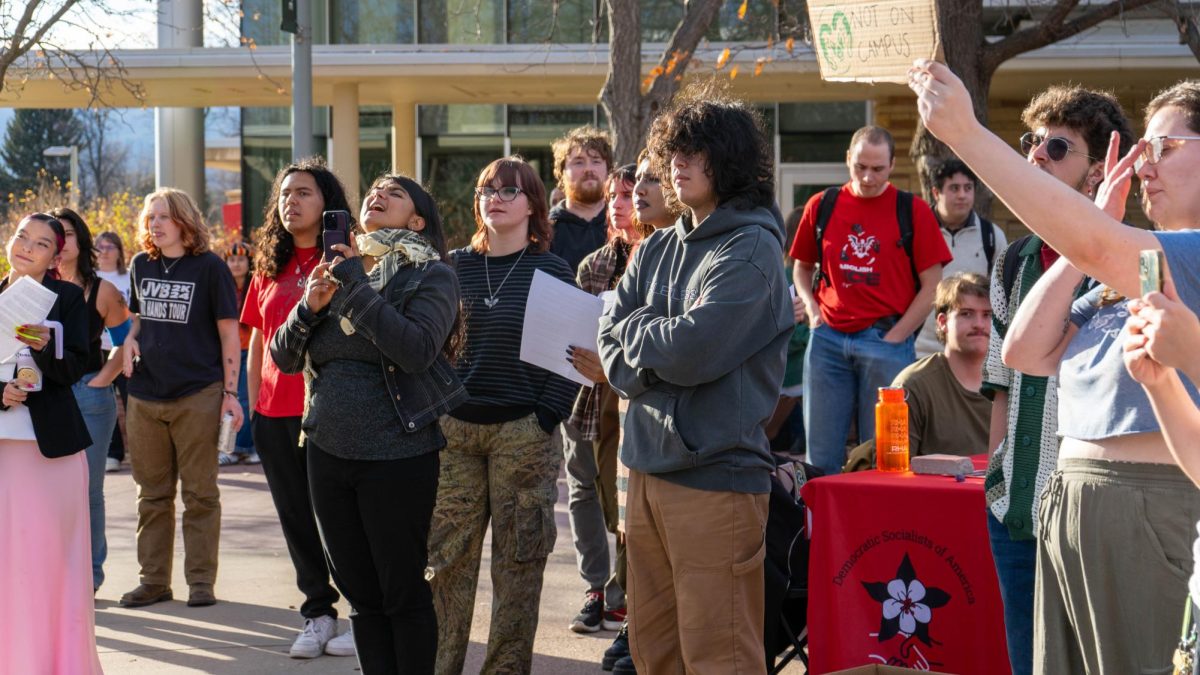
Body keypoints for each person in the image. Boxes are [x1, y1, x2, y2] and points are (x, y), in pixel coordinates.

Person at [909, 62, 1200, 674]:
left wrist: (966, 134)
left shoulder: (1186, 253)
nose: (1144, 164)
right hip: (1068, 506)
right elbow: (1025, 353)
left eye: (1165, 147)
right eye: (1142, 148)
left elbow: (1100, 249)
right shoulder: (1141, 266)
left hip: (1149, 511)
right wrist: (1097, 227)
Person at [598, 92, 793, 674]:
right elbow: (609, 343)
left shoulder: (752, 244)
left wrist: (637, 339)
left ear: (728, 161)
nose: (676, 165)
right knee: (656, 654)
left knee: (720, 656)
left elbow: (692, 349)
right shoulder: (657, 243)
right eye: (673, 152)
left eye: (694, 153)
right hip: (646, 469)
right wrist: (646, 342)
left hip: (717, 478)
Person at [271, 173, 466, 674]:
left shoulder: (431, 275)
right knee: (361, 595)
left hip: (397, 455)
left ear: (417, 220)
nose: (378, 195)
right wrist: (308, 309)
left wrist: (353, 283)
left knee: (400, 592)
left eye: (395, 193)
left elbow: (417, 349)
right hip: (327, 453)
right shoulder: (336, 269)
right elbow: (284, 358)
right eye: (375, 189)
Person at [972, 85, 1133, 675]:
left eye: (1057, 146)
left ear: (1098, 173)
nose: (1035, 156)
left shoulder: (1133, 258)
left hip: (1093, 517)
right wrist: (995, 483)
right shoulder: (1012, 260)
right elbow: (1002, 386)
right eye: (1031, 143)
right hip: (1014, 512)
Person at [428, 156, 580, 675]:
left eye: (510, 191)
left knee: (519, 564)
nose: (496, 197)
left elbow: (573, 353)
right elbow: (427, 344)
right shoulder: (450, 266)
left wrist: (545, 415)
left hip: (524, 433)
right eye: (487, 189)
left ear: (534, 204)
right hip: (454, 431)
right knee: (445, 562)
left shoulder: (553, 270)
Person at [790, 125, 952, 476]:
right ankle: (820, 530)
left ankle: (874, 529)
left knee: (883, 457)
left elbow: (933, 284)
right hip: (828, 340)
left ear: (892, 164)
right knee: (819, 458)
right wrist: (814, 314)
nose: (867, 177)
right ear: (848, 159)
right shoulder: (822, 205)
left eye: (877, 169)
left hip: (886, 339)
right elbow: (801, 269)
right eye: (860, 166)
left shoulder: (913, 210)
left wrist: (899, 336)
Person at [244, 159, 356, 659]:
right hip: (274, 415)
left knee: (341, 520)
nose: (291, 201)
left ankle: (361, 614)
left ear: (326, 201)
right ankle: (318, 613)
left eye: (304, 193)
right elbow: (258, 340)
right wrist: (253, 405)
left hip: (330, 414)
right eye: (285, 193)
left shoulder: (350, 261)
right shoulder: (269, 265)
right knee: (295, 518)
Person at [119, 188, 243, 609]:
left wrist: (231, 393)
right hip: (145, 395)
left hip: (199, 393)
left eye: (165, 216)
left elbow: (229, 332)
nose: (156, 224)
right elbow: (139, 323)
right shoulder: (140, 264)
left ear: (185, 221)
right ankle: (153, 581)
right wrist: (129, 343)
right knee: (151, 494)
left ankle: (200, 582)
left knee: (200, 494)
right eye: (151, 216)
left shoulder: (210, 268)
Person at [0, 213, 101, 673]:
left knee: (50, 565)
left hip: (51, 451)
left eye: (41, 243)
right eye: (22, 236)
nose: (26, 247)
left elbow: (76, 368)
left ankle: (56, 663)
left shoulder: (66, 298)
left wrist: (45, 346)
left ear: (55, 256)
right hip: (4, 448)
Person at [600, 149, 687, 675]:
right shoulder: (645, 252)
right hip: (634, 416)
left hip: (683, 435)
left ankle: (644, 636)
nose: (640, 190)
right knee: (634, 533)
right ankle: (637, 628)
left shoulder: (708, 251)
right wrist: (626, 355)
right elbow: (618, 337)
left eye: (654, 179)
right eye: (638, 181)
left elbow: (683, 345)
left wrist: (632, 347)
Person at [565, 164, 639, 635]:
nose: (617, 201)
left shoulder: (661, 259)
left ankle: (626, 595)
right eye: (613, 194)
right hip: (587, 398)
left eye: (628, 193)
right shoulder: (592, 265)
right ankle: (596, 590)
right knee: (584, 493)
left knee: (631, 503)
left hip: (634, 400)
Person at [50, 208, 130, 593]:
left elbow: (128, 341)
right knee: (46, 489)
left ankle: (90, 576)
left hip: (88, 395)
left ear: (80, 240)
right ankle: (53, 574)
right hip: (43, 397)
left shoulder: (103, 291)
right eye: (52, 234)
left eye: (65, 233)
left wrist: (101, 381)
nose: (58, 242)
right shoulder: (32, 287)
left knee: (87, 490)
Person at [844, 272, 993, 471]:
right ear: (942, 322)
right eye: (966, 313)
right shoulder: (911, 386)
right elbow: (892, 475)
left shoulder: (1014, 384)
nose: (979, 324)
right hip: (934, 499)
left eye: (988, 315)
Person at [914, 160, 1007, 358]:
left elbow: (1001, 296)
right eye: (954, 188)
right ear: (936, 193)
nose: (962, 195)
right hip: (920, 348)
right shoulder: (915, 231)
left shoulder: (991, 236)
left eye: (968, 188)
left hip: (972, 351)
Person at [549, 125, 612, 272]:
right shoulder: (545, 232)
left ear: (608, 170)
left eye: (596, 161)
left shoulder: (625, 225)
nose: (588, 169)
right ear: (561, 173)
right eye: (578, 162)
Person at [96, 230, 132, 473]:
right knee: (105, 402)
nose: (106, 251)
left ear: (119, 251)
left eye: (111, 246)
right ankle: (113, 454)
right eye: (101, 247)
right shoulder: (92, 279)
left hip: (127, 349)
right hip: (98, 350)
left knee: (134, 403)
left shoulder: (129, 278)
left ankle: (140, 452)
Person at [222, 240, 259, 466]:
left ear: (249, 262)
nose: (236, 264)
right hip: (226, 352)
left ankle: (245, 447)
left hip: (249, 350)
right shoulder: (222, 286)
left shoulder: (254, 284)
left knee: (246, 401)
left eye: (241, 259)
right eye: (231, 259)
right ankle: (230, 448)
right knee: (227, 402)